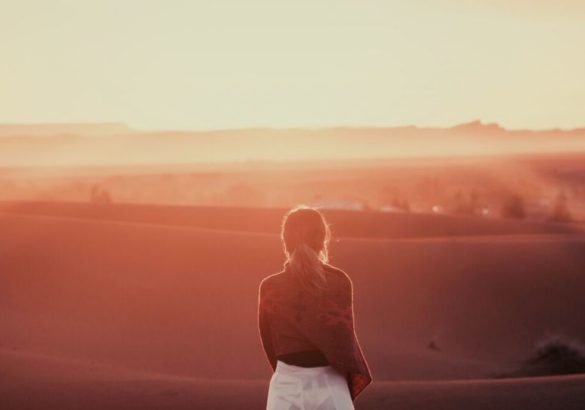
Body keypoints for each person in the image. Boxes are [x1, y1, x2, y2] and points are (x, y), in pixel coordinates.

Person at [258, 205, 373, 410]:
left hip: (286, 386)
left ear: (285, 241)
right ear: (322, 240)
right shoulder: (339, 282)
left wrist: (291, 372)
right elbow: (343, 344)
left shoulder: (269, 287)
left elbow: (269, 343)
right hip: (330, 383)